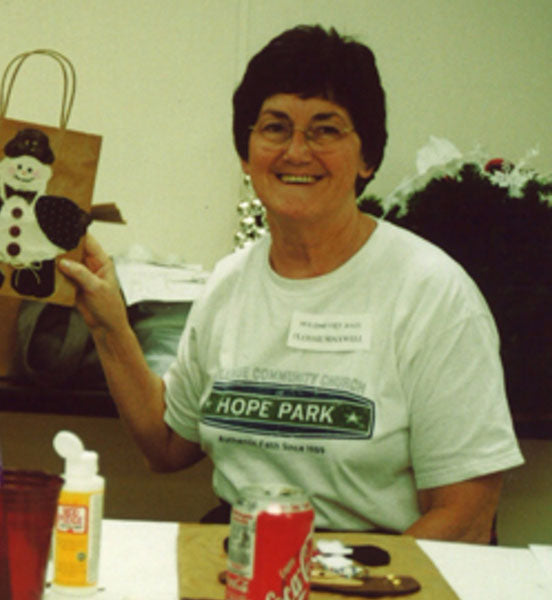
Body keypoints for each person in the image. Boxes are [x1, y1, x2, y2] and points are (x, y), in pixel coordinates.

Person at [59, 25, 524, 542]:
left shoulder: (433, 293)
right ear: (246, 151)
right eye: (275, 128)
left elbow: (467, 517)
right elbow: (167, 446)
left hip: (377, 576)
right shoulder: (229, 284)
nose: (296, 152)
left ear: (367, 157)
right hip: (243, 567)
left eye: (326, 130)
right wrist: (108, 324)